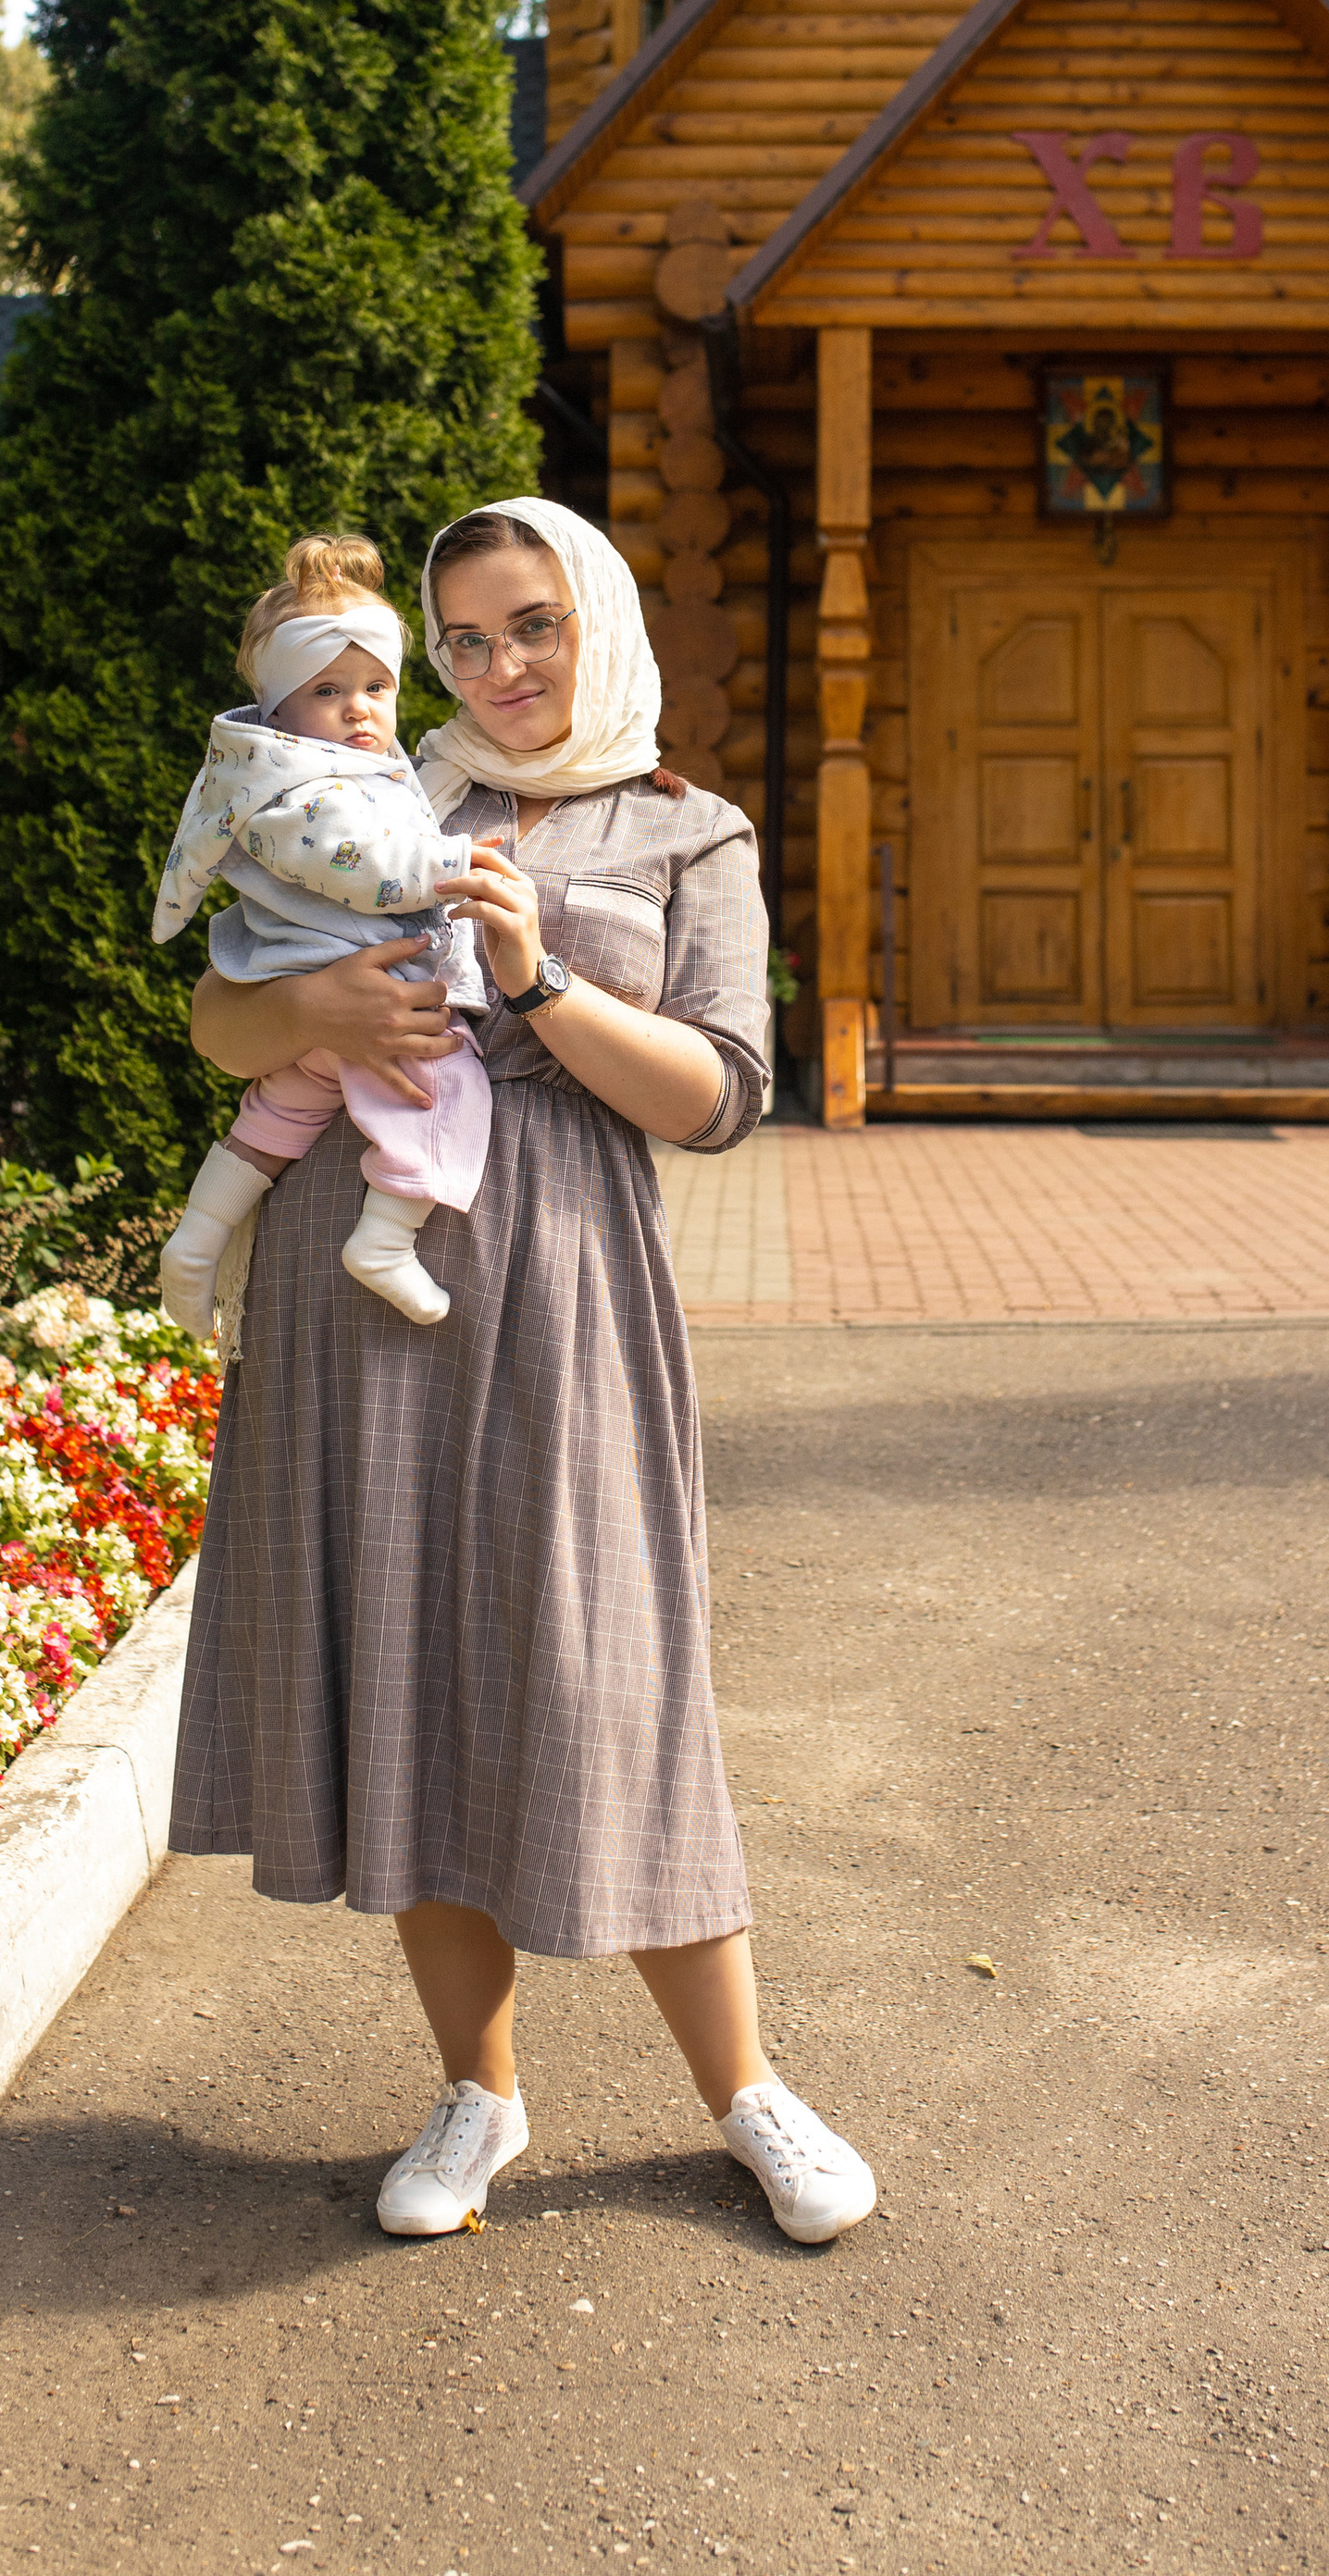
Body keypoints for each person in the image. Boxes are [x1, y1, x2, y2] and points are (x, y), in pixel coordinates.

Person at [165, 492, 876, 2247]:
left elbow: (719, 1096)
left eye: (533, 626)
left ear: (601, 622)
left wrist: (535, 974)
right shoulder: (365, 788)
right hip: (360, 1283)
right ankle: (479, 2096)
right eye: (465, 636)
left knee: (606, 1675)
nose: (497, 669)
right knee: (404, 1662)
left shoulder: (690, 832)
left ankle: (751, 2095)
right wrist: (315, 1018)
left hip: (564, 1281)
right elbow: (216, 1015)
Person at [150, 535, 488, 1330]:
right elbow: (366, 867)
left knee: (278, 1113)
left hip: (311, 988)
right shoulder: (301, 792)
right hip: (359, 983)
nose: (359, 708)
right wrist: (455, 863)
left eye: (377, 686)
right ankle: (387, 1234)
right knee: (444, 1080)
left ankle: (196, 1240)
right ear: (277, 711)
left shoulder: (316, 772)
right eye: (328, 690)